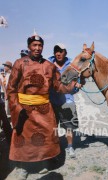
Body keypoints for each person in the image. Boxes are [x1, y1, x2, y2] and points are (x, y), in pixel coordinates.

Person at [6, 34, 82, 179]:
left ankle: (42, 164)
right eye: (34, 45)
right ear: (29, 46)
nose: (37, 48)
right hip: (24, 109)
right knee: (24, 139)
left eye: (40, 45)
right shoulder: (19, 63)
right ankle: (24, 167)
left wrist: (72, 86)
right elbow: (11, 89)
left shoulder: (49, 66)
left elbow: (58, 86)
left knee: (45, 138)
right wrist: (16, 108)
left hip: (45, 109)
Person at [48, 43, 80, 158]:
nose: (58, 53)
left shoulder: (72, 65)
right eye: (56, 51)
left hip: (68, 101)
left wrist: (76, 87)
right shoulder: (48, 64)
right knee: (52, 126)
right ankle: (54, 149)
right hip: (52, 101)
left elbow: (77, 82)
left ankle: (70, 146)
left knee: (69, 126)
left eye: (61, 51)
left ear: (65, 52)